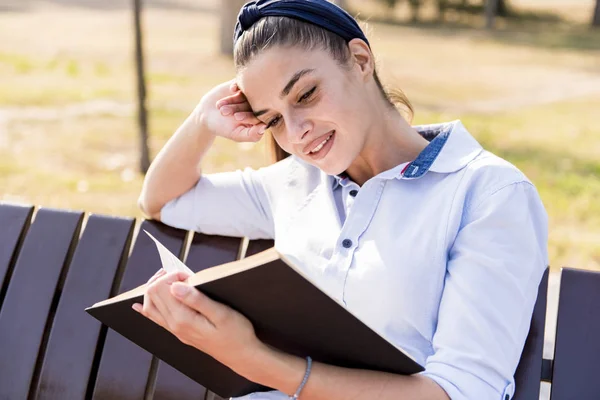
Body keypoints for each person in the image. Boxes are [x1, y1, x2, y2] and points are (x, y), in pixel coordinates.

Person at [134, 1, 548, 399]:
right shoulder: (297, 183)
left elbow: (463, 393)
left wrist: (253, 359)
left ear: (361, 60)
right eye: (272, 119)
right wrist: (203, 120)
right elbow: (163, 200)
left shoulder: (487, 195)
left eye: (306, 94)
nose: (295, 133)